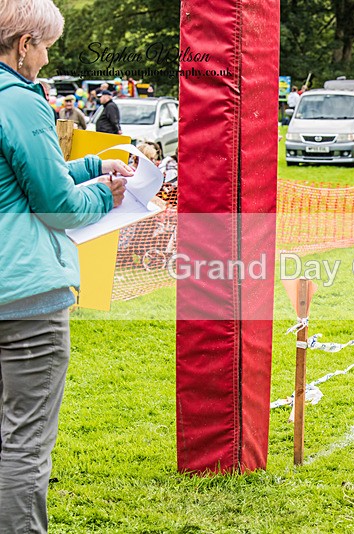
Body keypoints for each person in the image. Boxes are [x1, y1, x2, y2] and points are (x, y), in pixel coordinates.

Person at [0, 1, 131, 530]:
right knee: (24, 441)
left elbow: (18, 177)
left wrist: (94, 163)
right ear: (25, 43)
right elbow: (55, 206)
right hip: (25, 295)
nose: (47, 58)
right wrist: (106, 194)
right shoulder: (19, 99)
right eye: (47, 46)